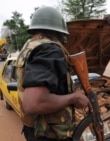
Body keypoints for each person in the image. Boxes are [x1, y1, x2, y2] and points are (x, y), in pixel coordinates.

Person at [15, 6, 89, 141]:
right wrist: (74, 98)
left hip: (33, 128)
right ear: (58, 31)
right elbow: (33, 103)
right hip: (49, 134)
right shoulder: (49, 50)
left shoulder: (29, 46)